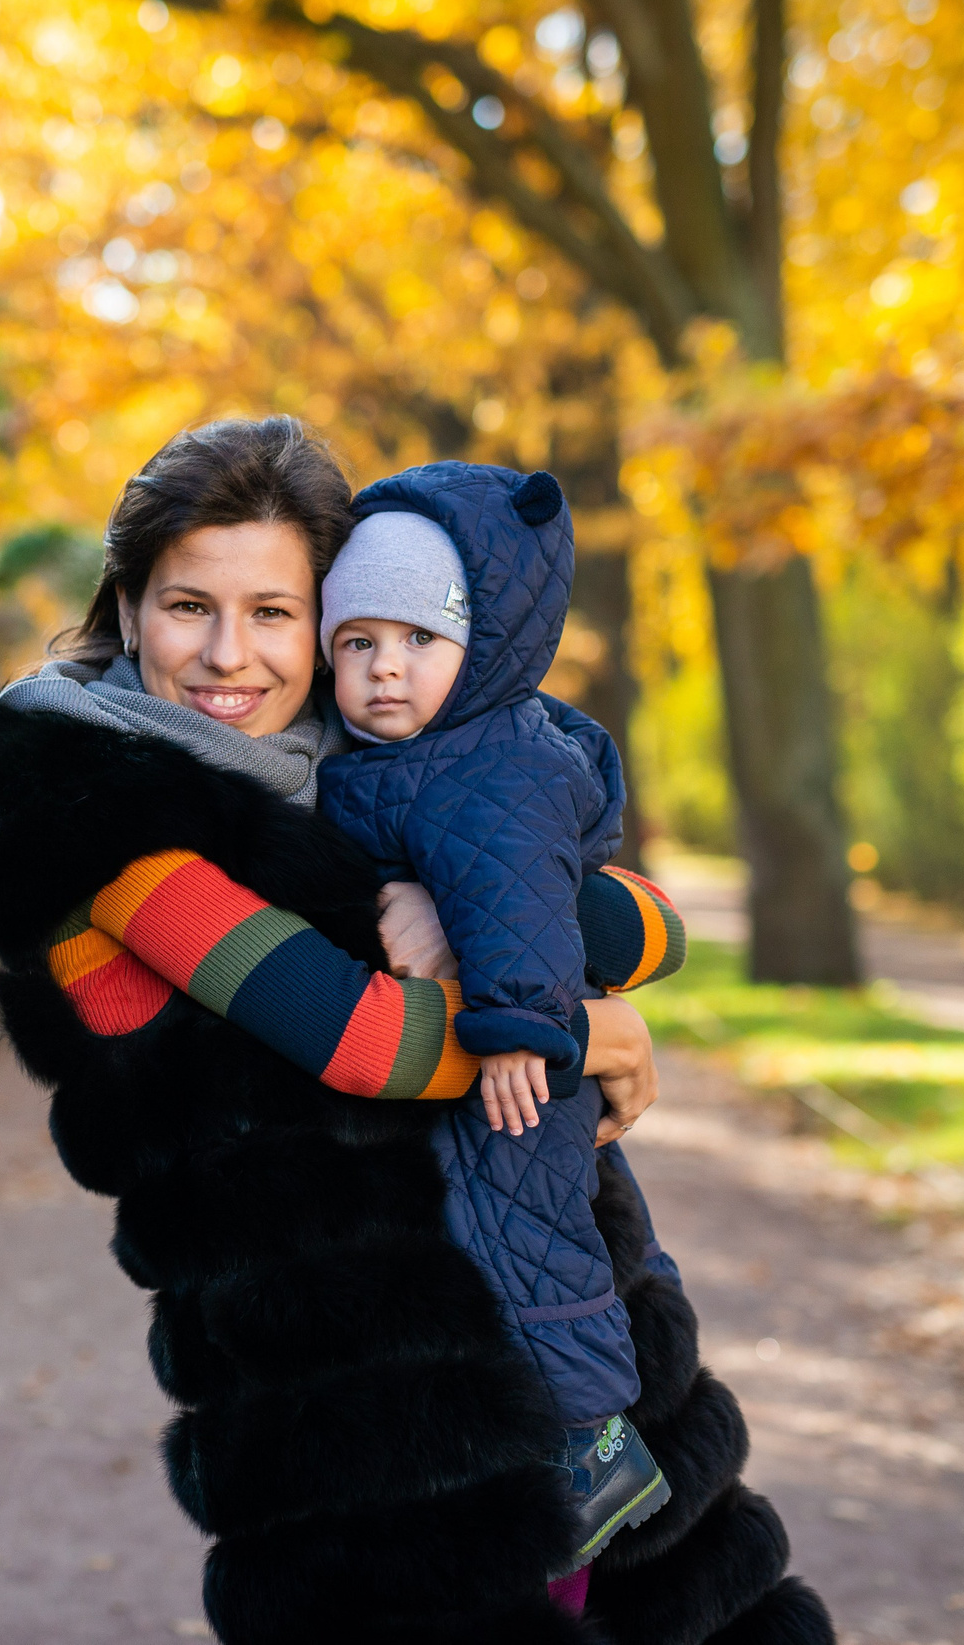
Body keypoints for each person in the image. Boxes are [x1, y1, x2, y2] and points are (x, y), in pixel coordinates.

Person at [0, 416, 830, 1644]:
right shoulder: (108, 825)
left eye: (273, 611)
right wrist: (580, 1031)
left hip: (560, 1318)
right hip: (361, 1401)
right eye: (186, 606)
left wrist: (480, 914)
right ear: (126, 603)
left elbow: (649, 917)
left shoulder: (367, 760)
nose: (228, 656)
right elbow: (362, 1040)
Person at [314, 464, 690, 1574]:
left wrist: (525, 1025)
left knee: (518, 1226)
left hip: (516, 1060)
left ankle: (593, 1442)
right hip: (504, 1049)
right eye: (356, 643)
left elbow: (522, 896)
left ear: (477, 649)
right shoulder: (409, 753)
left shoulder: (489, 762)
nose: (385, 668)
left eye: (417, 642)